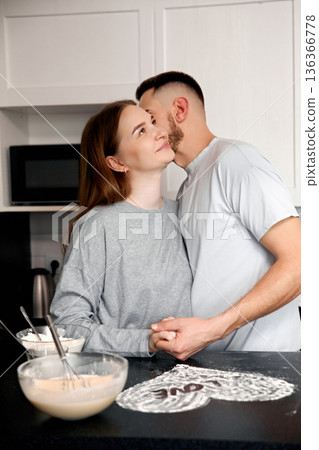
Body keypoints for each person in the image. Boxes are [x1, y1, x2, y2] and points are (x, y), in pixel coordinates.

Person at [136, 71, 301, 360]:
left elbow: (301, 261)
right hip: (217, 360)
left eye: (151, 118)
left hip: (267, 361)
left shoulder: (236, 161)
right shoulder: (188, 187)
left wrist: (214, 329)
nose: (149, 130)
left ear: (179, 109)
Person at [50, 100, 192, 357]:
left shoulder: (185, 211)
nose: (159, 132)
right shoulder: (97, 226)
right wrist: (145, 342)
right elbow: (68, 325)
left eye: (152, 123)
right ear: (117, 163)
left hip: (189, 376)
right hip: (124, 377)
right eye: (141, 131)